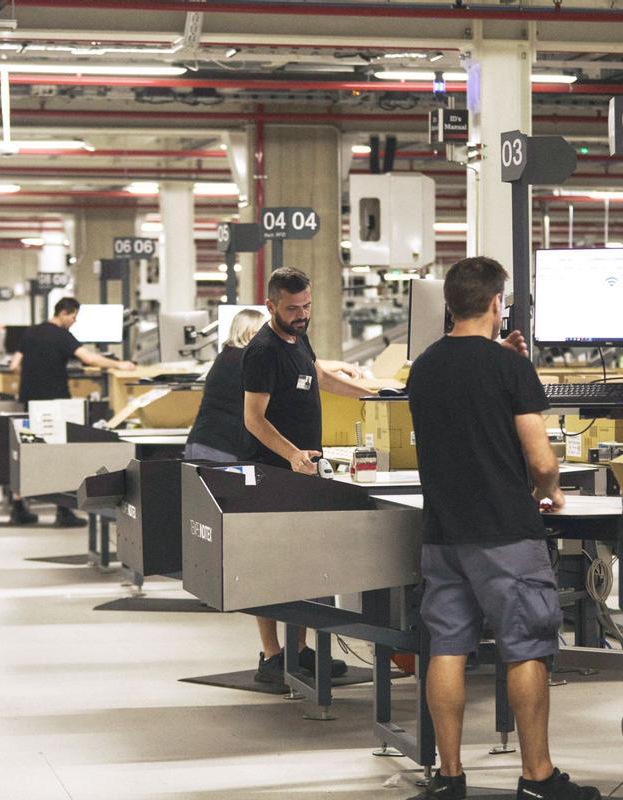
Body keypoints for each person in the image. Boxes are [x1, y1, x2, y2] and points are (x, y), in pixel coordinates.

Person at [406, 257, 601, 800]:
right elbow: (540, 461)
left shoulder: (422, 368)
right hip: (505, 534)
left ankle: (448, 779)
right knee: (526, 646)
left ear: (450, 305)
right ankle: (537, 779)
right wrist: (550, 491)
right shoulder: (512, 368)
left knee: (446, 645)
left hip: (444, 532)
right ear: (497, 304)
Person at [242, 267, 372, 685]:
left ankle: (298, 651)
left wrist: (376, 394)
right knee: (269, 566)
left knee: (299, 564)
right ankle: (271, 656)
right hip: (271, 473)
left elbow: (319, 376)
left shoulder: (298, 337)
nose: (301, 314)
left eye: (307, 306)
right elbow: (253, 419)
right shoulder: (263, 351)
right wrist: (293, 454)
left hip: (302, 472)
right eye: (292, 308)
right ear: (271, 306)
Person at [8, 297, 136, 527]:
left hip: (30, 400)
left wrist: (34, 375)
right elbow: (87, 358)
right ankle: (63, 511)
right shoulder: (62, 335)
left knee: (27, 451)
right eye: (73, 317)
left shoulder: (30, 333)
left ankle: (18, 507)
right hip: (55, 401)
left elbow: (14, 365)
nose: (74, 322)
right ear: (64, 313)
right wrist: (120, 365)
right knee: (60, 454)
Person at [183, 309, 267, 462]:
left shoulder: (225, 356)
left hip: (202, 442)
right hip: (221, 448)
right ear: (251, 333)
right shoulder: (247, 361)